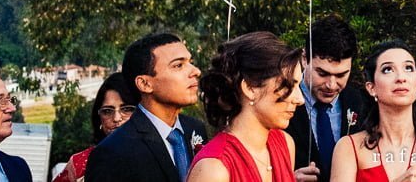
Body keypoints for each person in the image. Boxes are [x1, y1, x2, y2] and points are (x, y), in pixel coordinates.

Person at [329, 40, 416, 182]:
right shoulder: (349, 147)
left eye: (408, 68)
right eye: (388, 69)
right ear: (371, 88)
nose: (401, 78)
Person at [86, 32, 209, 182]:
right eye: (178, 65)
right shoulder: (113, 152)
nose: (195, 71)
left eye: (190, 62)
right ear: (145, 84)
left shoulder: (195, 129)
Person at [188, 31, 305, 182]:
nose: (300, 99)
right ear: (250, 88)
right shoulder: (214, 169)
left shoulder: (285, 144)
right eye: (288, 86)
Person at [287, 16, 367, 182]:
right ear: (304, 59)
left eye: (341, 75)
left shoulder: (360, 102)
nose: (331, 85)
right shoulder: (281, 102)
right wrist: (286, 178)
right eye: (322, 74)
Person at [54, 72, 135, 182]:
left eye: (126, 109)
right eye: (107, 111)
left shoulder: (158, 157)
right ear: (99, 119)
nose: (116, 118)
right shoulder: (80, 164)